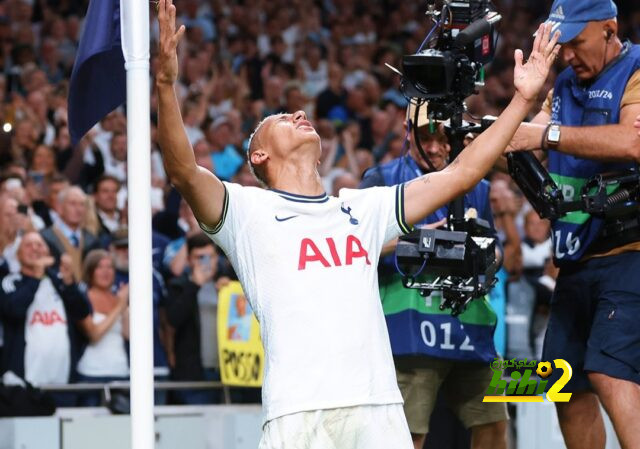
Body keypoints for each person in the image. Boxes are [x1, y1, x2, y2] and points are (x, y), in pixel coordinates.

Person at [156, 1, 559, 446]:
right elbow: (184, 171)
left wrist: (523, 99)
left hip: (375, 406)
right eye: (282, 119)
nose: (298, 114)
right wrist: (165, 84)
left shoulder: (361, 209)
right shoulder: (246, 213)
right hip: (296, 410)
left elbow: (461, 173)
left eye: (299, 113)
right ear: (259, 156)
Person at [506, 1, 640, 448]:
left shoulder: (636, 69)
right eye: (562, 45)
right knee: (561, 383)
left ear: (609, 29)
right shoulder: (562, 83)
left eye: (577, 43)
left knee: (606, 370)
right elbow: (525, 136)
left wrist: (546, 135)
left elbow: (633, 140)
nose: (567, 56)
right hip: (574, 260)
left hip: (629, 255)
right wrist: (516, 114)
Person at [359, 105, 507, 449]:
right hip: (407, 324)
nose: (438, 147)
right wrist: (422, 241)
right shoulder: (381, 179)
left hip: (472, 325)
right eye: (428, 136)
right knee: (408, 433)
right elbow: (359, 246)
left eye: (444, 137)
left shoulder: (479, 187)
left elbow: (496, 253)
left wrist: (480, 253)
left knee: (496, 423)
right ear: (408, 131)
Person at [0, 232, 90, 405]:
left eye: (40, 245)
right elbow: (13, 310)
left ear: (48, 253)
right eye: (28, 245)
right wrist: (35, 276)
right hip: (24, 385)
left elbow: (82, 312)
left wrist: (70, 282)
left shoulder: (60, 281)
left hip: (63, 382)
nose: (35, 248)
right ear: (17, 255)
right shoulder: (9, 282)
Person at [165, 233, 223, 405]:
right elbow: (173, 319)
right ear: (189, 260)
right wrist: (194, 285)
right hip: (193, 373)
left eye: (209, 257)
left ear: (216, 258)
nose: (205, 263)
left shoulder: (226, 284)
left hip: (226, 371)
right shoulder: (178, 286)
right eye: (200, 258)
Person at [75, 249, 129, 406]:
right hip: (91, 372)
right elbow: (94, 334)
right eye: (100, 267)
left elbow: (128, 334)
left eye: (110, 267)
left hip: (120, 371)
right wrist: (119, 306)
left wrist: (127, 306)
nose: (106, 272)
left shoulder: (118, 298)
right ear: (90, 271)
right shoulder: (83, 298)